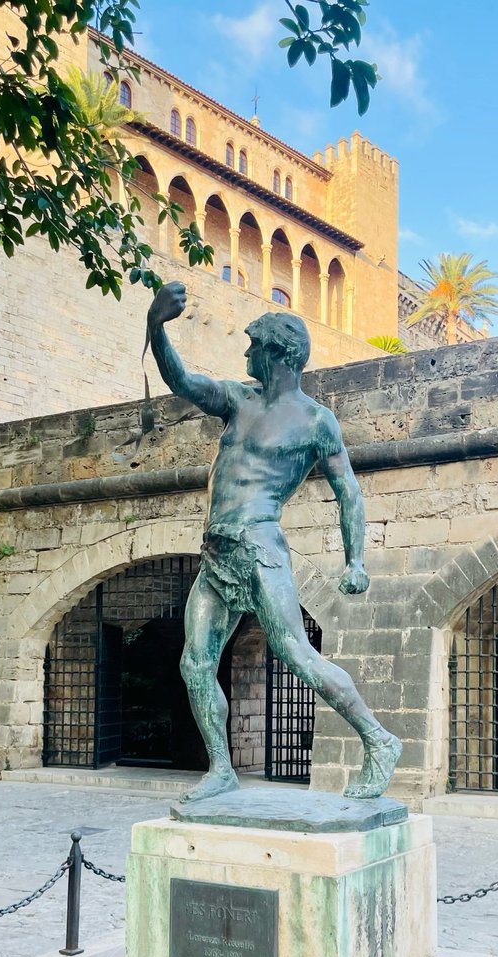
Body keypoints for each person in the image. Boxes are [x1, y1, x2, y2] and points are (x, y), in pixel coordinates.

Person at [145, 280, 401, 803]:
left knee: (295, 653)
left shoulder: (316, 421)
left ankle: (379, 739)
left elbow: (348, 492)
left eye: (252, 345)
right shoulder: (237, 399)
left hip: (260, 546)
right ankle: (221, 768)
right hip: (216, 553)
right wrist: (155, 325)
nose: (245, 353)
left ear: (277, 352)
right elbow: (183, 382)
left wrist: (355, 561)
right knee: (195, 662)